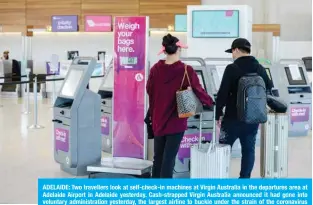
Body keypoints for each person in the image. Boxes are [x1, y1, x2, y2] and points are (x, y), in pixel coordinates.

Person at [146, 34, 214, 178]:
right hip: (176, 121)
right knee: (169, 159)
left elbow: (149, 91)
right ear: (179, 50)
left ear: (164, 51)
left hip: (158, 120)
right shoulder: (186, 70)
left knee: (158, 158)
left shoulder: (155, 69)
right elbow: (199, 90)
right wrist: (210, 103)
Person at [215, 38, 273, 178]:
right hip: (253, 118)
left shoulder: (232, 68)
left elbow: (222, 93)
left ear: (235, 50)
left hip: (232, 118)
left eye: (232, 52)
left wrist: (217, 114)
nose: (232, 55)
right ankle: (244, 180)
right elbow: (269, 87)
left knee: (223, 149)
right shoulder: (259, 68)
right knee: (248, 150)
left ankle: (221, 176)